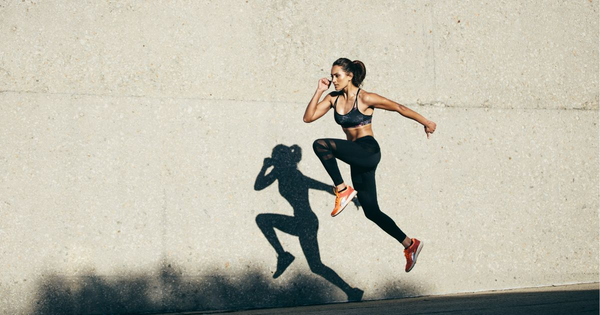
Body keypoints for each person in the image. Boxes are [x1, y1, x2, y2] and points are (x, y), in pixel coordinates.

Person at [303, 58, 437, 272]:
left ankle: (342, 189)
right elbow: (308, 118)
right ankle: (410, 244)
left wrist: (427, 123)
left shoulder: (365, 98)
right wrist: (319, 91)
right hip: (355, 156)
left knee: (321, 145)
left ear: (350, 76)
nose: (333, 80)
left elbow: (399, 108)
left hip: (368, 151)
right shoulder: (332, 99)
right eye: (332, 75)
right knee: (371, 211)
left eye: (337, 75)